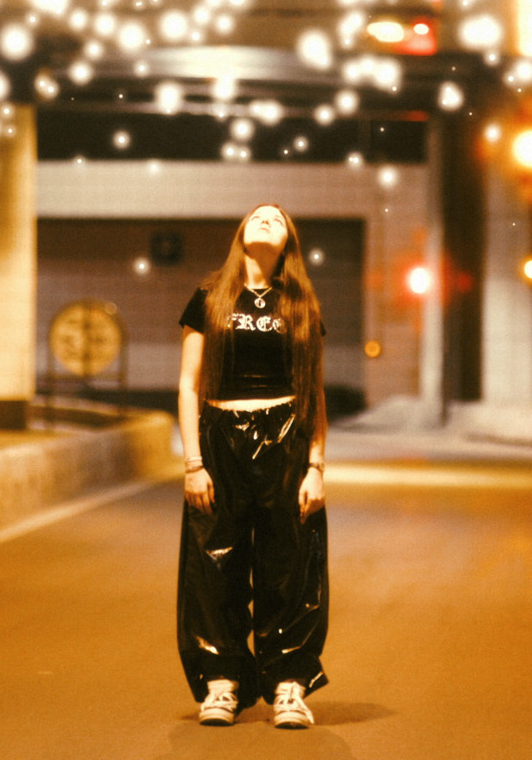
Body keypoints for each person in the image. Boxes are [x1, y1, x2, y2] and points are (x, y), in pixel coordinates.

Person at [175, 204, 329, 729]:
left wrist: (316, 465)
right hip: (220, 439)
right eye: (257, 215)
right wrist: (193, 462)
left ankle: (288, 686)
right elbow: (188, 384)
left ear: (288, 241)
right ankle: (222, 683)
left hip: (286, 436)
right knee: (214, 562)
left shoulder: (301, 302)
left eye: (278, 218)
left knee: (289, 565)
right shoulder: (210, 296)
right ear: (241, 232)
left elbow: (314, 391)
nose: (266, 219)